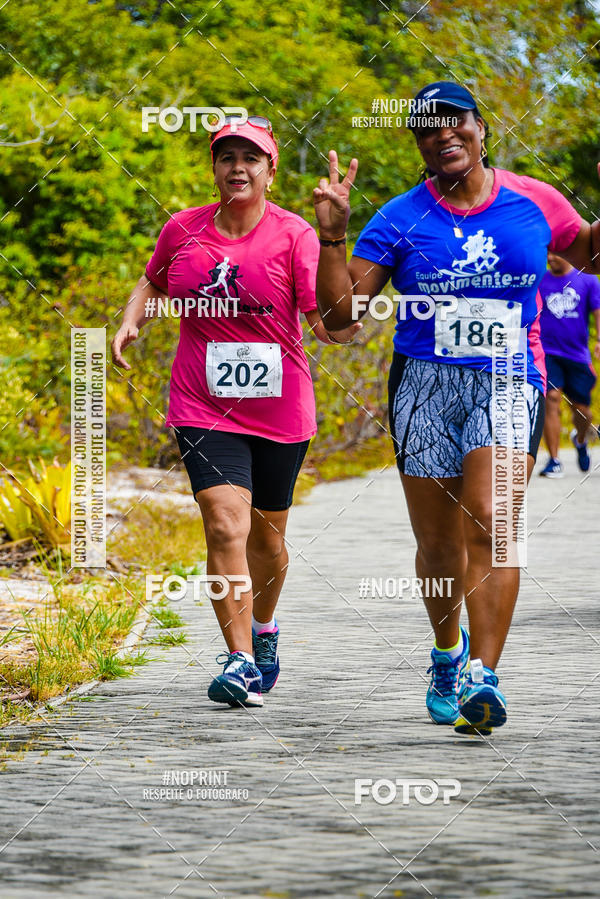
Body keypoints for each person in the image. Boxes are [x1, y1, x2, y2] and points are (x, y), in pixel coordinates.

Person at [313, 81, 600, 735]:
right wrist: (334, 237)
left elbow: (590, 253)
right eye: (427, 127)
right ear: (417, 141)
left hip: (508, 378)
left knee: (495, 521)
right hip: (423, 385)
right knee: (440, 546)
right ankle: (448, 654)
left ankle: (483, 677)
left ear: (480, 128)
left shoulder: (534, 200)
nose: (444, 133)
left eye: (456, 121)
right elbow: (338, 318)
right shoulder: (397, 217)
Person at [112, 115, 359, 708]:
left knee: (268, 540)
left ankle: (265, 630)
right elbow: (153, 281)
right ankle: (238, 656)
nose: (238, 167)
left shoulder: (296, 235)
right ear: (215, 168)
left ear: (271, 172)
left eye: (252, 158)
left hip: (280, 409)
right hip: (202, 403)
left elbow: (335, 328)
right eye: (228, 157)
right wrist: (132, 316)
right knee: (225, 524)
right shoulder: (183, 229)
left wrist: (334, 240)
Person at [538, 251, 600, 477]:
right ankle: (554, 460)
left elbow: (597, 312)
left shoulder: (587, 279)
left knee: (582, 410)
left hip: (577, 355)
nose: (551, 258)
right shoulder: (540, 280)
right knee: (550, 399)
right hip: (547, 352)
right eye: (548, 254)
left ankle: (580, 439)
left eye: (556, 254)